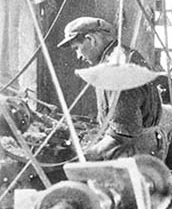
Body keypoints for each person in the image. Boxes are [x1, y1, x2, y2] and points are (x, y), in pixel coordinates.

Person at [58, 16, 164, 161]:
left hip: (133, 154)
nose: (78, 56)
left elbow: (122, 136)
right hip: (138, 149)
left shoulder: (116, 68)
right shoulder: (120, 55)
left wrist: (82, 158)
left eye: (77, 48)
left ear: (90, 39)